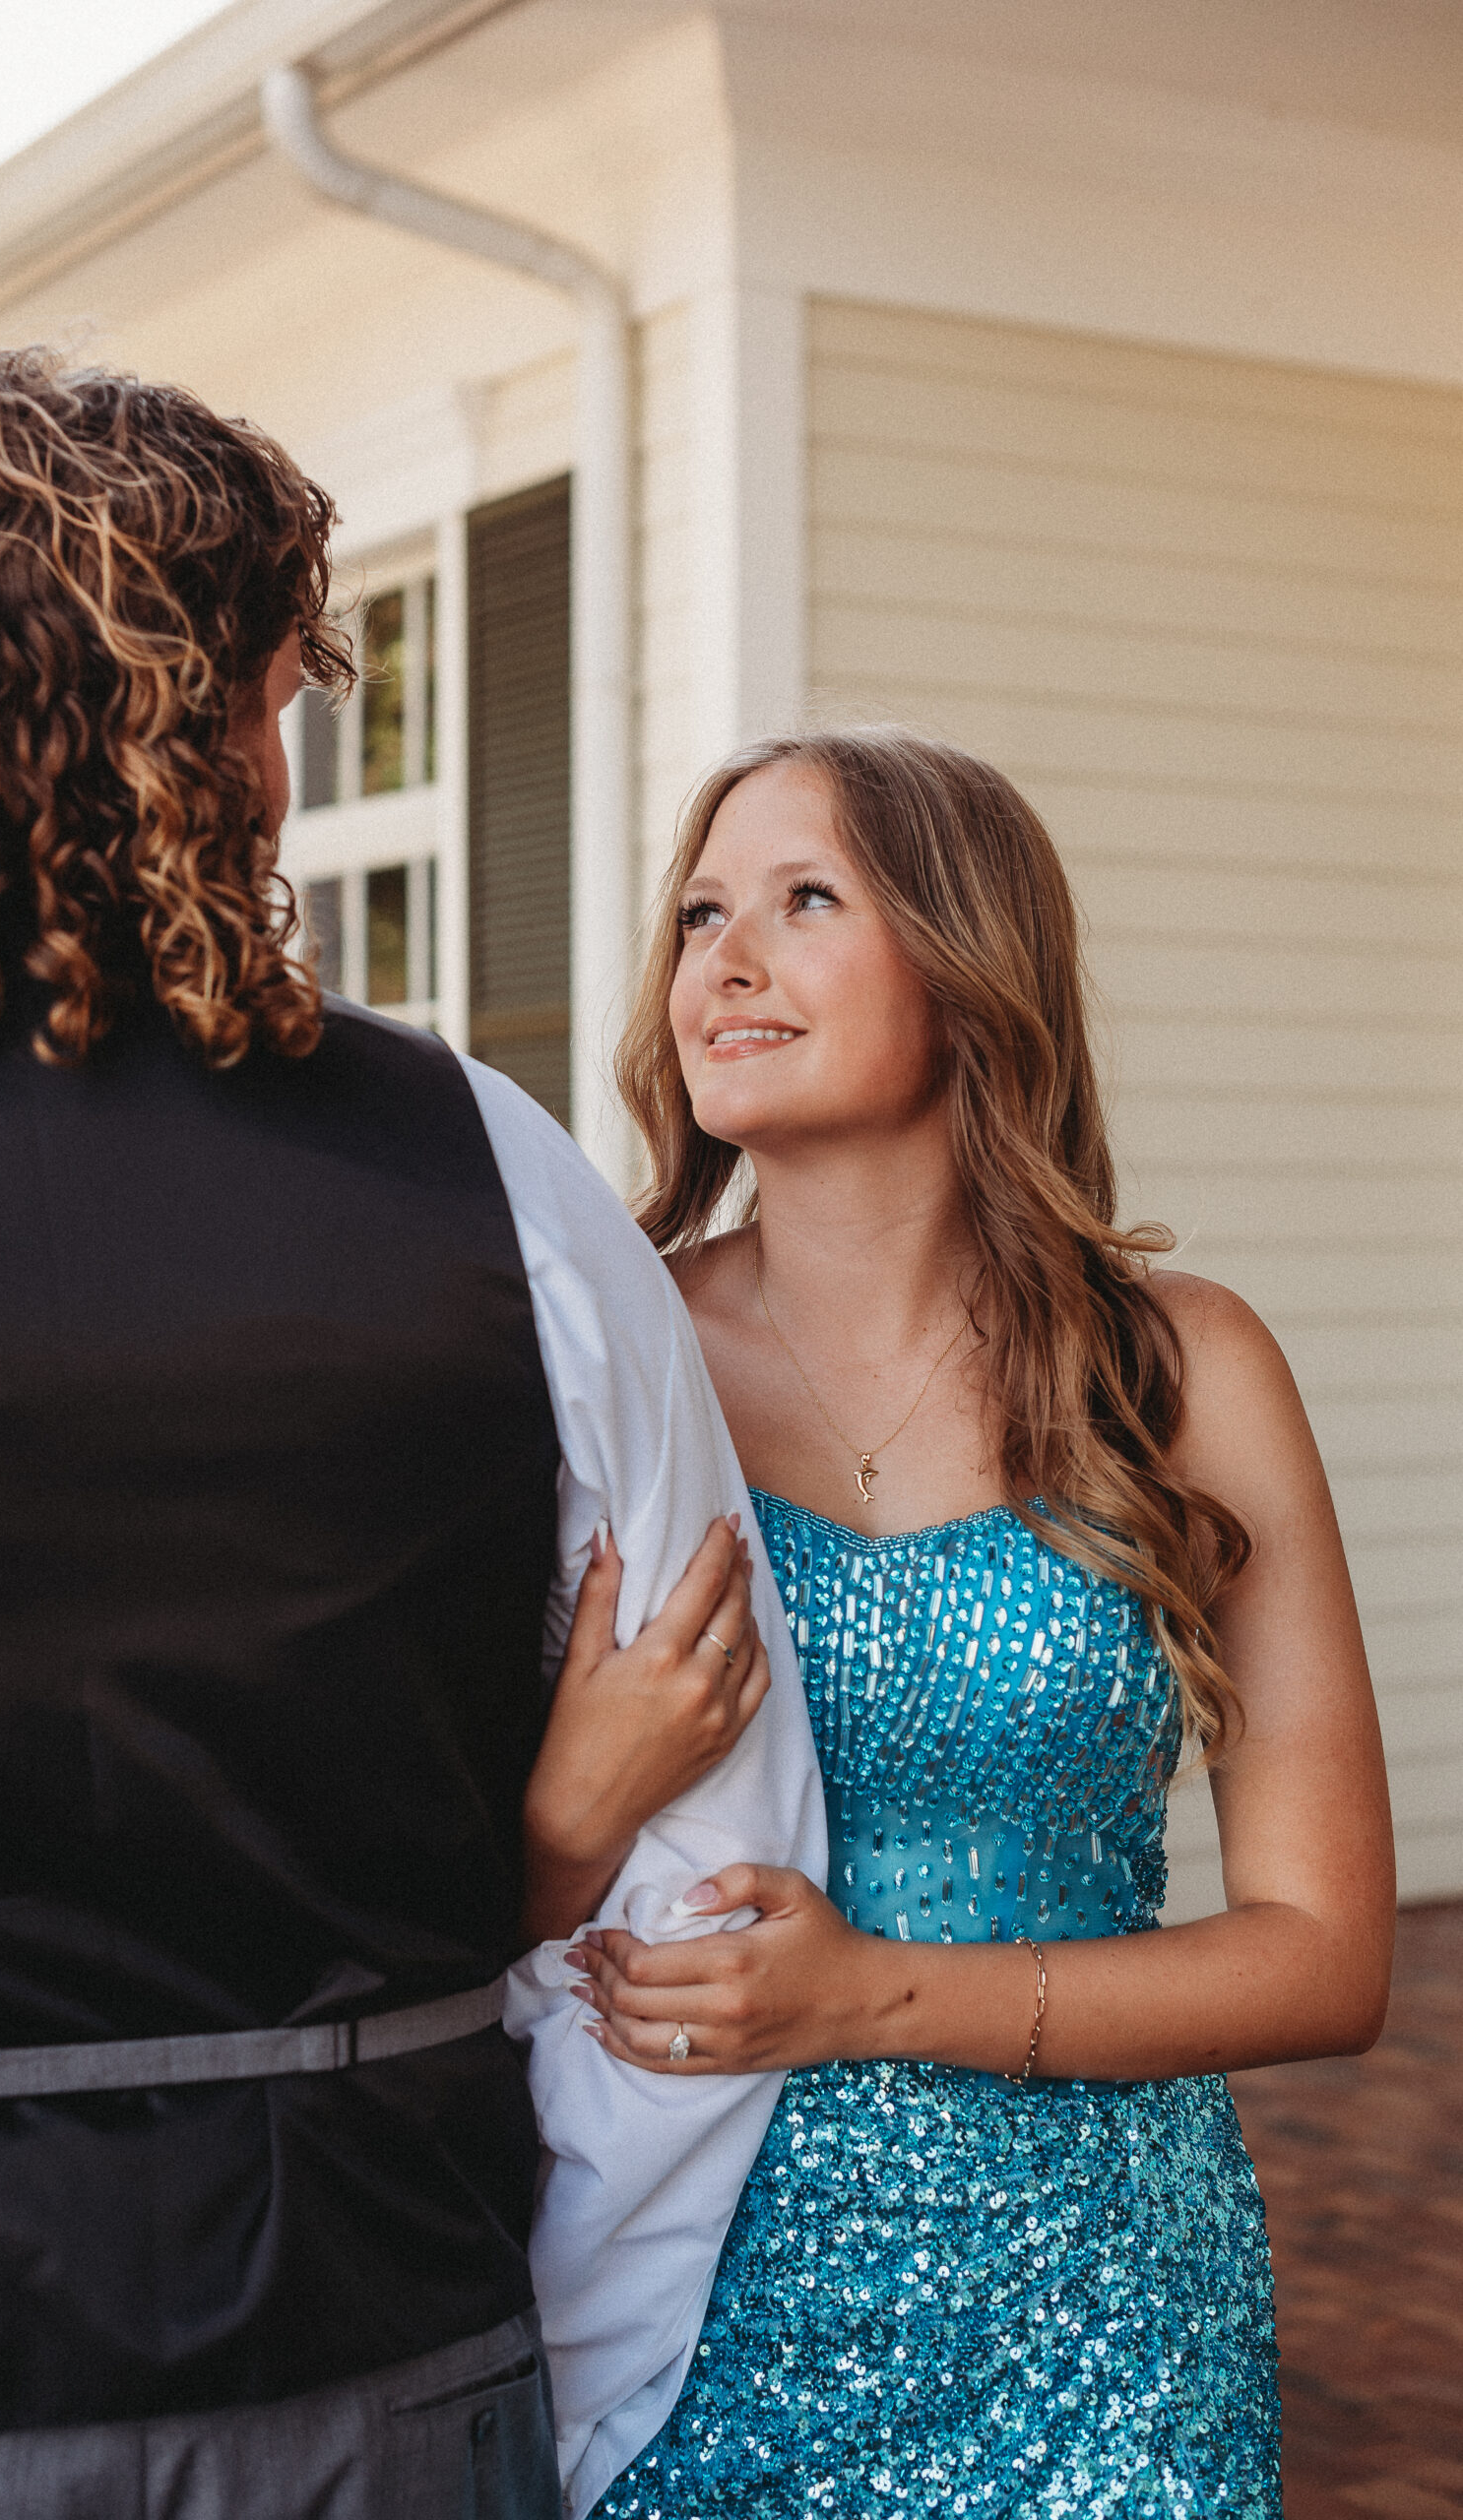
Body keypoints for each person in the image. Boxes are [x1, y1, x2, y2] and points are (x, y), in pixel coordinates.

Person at [0, 351, 824, 2520]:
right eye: (269, 698)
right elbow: (714, 1868)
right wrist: (554, 2384)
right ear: (174, 732)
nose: (285, 763)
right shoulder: (492, 1172)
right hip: (381, 2352)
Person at [570, 730, 1396, 2518]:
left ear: (966, 963)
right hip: (690, 2301)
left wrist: (871, 1996)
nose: (722, 955)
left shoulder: (1181, 1371)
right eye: (702, 910)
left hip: (1108, 2319)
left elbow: (1328, 1958)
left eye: (804, 901)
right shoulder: (603, 1364)